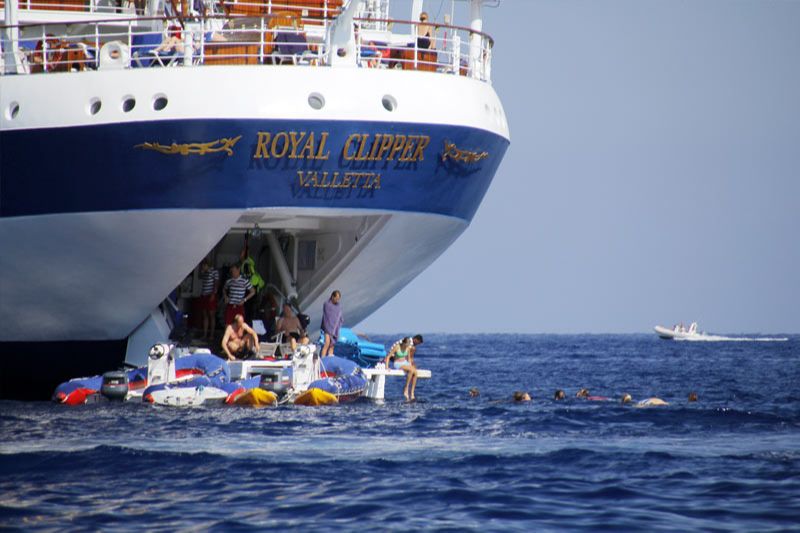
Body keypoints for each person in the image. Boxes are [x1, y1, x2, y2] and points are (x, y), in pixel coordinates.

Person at [384, 337, 418, 401]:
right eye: (407, 344)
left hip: (405, 362)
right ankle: (406, 388)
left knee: (415, 372)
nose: (408, 346)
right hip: (398, 363)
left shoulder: (408, 348)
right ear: (404, 343)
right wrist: (387, 367)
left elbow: (409, 359)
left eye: (408, 345)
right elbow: (388, 356)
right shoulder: (397, 347)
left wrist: (410, 365)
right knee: (411, 370)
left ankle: (412, 392)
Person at [197, 259, 219, 341]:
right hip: (204, 294)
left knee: (211, 315)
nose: (203, 267)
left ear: (207, 265)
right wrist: (202, 270)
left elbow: (216, 283)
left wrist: (213, 294)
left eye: (204, 265)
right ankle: (205, 334)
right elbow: (199, 276)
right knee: (205, 314)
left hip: (211, 295)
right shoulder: (204, 272)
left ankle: (212, 334)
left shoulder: (214, 271)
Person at [320, 290, 343, 357]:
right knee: (327, 343)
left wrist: (338, 324)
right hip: (327, 328)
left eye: (338, 299)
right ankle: (323, 359)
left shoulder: (339, 306)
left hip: (335, 328)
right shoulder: (326, 304)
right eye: (336, 298)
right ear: (332, 296)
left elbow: (339, 317)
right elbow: (327, 316)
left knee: (332, 345)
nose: (337, 300)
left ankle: (330, 358)